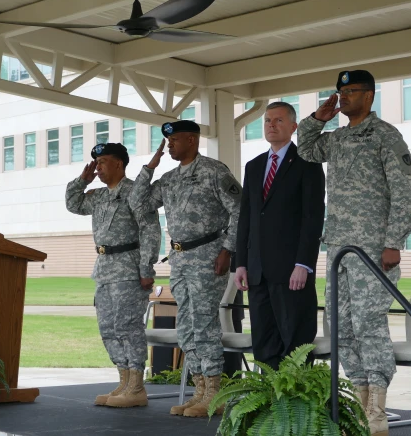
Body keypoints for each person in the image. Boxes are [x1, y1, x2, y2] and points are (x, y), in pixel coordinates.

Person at [297, 70, 411, 436]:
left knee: (368, 323)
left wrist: (394, 241)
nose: (344, 96)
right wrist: (319, 117)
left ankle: (377, 408)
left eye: (350, 91)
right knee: (341, 327)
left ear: (370, 96)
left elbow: (404, 191)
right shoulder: (337, 138)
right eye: (340, 91)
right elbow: (304, 148)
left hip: (372, 250)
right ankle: (361, 401)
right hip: (338, 247)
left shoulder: (384, 135)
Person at [129, 120, 241, 418]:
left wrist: (228, 250)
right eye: (167, 142)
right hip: (179, 260)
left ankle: (214, 394)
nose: (169, 146)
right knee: (188, 329)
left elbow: (240, 210)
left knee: (204, 325)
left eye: (174, 140)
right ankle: (199, 390)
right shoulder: (168, 179)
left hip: (208, 257)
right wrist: (149, 167)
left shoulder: (214, 171)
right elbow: (137, 202)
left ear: (192, 140)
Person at [65, 142, 160, 409]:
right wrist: (81, 181)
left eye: (103, 161)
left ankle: (137, 386)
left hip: (129, 268)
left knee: (129, 327)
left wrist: (146, 269)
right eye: (96, 162)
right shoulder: (99, 196)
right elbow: (73, 204)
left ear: (119, 163)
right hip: (104, 268)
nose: (98, 167)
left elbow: (150, 231)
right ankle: (124, 381)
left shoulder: (135, 193)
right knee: (108, 329)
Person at [234, 101, 325, 370]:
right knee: (264, 341)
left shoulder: (307, 163)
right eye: (267, 121)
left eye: (278, 120)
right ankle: (270, 404)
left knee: (295, 342)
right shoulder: (254, 166)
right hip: (257, 271)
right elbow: (246, 219)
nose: (271, 125)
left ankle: (295, 408)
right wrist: (241, 262)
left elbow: (313, 217)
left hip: (291, 272)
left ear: (294, 127)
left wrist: (304, 264)